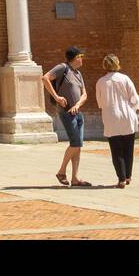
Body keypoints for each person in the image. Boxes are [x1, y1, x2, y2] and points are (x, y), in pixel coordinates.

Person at [43, 46, 91, 187]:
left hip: (78, 113)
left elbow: (85, 94)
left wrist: (78, 105)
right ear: (76, 58)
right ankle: (61, 171)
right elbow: (45, 78)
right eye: (81, 57)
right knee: (75, 143)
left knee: (78, 145)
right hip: (66, 112)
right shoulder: (63, 68)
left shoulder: (78, 74)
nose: (82, 59)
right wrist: (57, 97)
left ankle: (75, 178)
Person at [95, 53, 139, 188]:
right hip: (127, 115)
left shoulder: (101, 82)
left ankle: (121, 178)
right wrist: (134, 110)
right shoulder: (125, 79)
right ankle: (128, 176)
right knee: (128, 148)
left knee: (116, 149)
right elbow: (135, 98)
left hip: (111, 116)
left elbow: (100, 102)